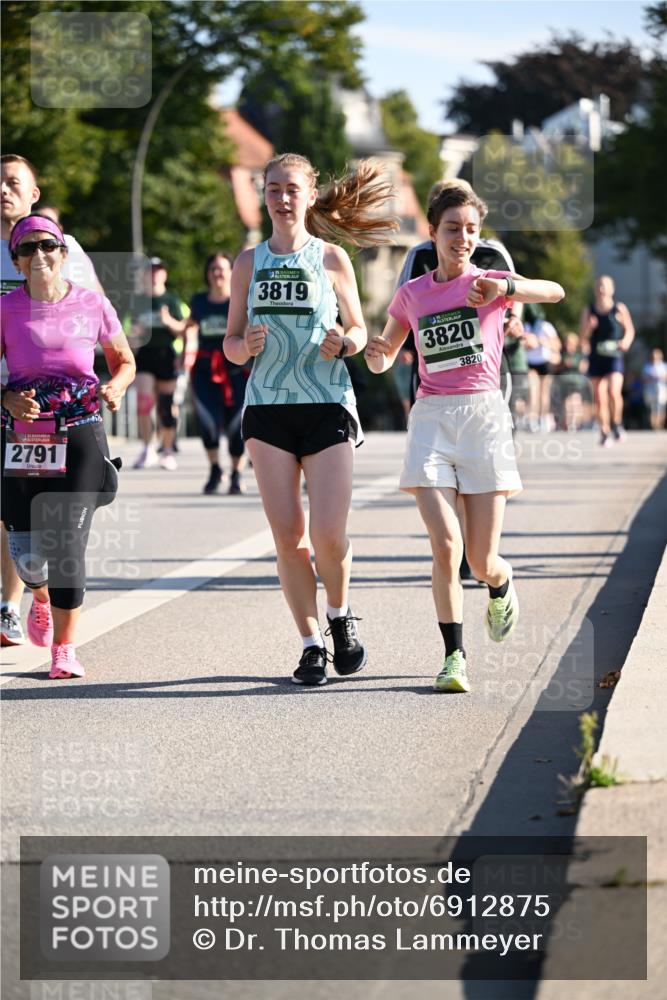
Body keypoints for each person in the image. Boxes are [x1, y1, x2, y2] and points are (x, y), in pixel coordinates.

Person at [365, 183, 564, 693]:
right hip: (432, 416)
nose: (463, 238)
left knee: (480, 560)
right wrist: (371, 353)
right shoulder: (414, 293)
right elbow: (387, 349)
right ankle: (454, 657)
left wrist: (507, 290)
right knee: (445, 545)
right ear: (432, 233)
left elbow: (555, 292)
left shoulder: (491, 282)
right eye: (452, 228)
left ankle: (500, 582)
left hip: (484, 419)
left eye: (471, 229)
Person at [224, 152, 397, 686]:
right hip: (269, 409)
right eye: (273, 189)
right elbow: (229, 342)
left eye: (291, 189)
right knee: (289, 539)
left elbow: (362, 330)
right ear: (264, 195)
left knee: (328, 534)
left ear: (310, 194)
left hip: (326, 402)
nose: (282, 198)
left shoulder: (331, 259)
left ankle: (340, 615)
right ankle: (309, 643)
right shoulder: (248, 263)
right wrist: (242, 345)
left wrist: (346, 342)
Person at [0, 213, 135, 678]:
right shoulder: (5, 309)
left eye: (47, 246)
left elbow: (124, 360)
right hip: (23, 435)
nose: (39, 255)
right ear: (16, 261)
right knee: (29, 557)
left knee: (67, 545)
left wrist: (116, 385)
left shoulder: (91, 303)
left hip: (79, 428)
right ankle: (38, 596)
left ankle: (64, 650)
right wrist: (6, 397)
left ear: (62, 254)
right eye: (28, 249)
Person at [0, 154, 101, 647]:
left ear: (33, 193)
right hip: (5, 401)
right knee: (10, 514)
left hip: (52, 412)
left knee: (49, 520)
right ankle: (25, 596)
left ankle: (16, 607)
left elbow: (93, 316)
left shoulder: (69, 251)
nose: (3, 190)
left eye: (13, 182)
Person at [185, 252, 249, 495]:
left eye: (222, 268)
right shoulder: (199, 301)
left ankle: (236, 473)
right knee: (208, 424)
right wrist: (186, 356)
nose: (218, 273)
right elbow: (190, 329)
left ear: (232, 272)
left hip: (237, 370)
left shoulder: (241, 300)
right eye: (213, 269)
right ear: (208, 274)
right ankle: (214, 469)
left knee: (237, 426)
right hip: (205, 370)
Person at [130, 257, 187, 470]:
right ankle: (147, 448)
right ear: (144, 276)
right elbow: (129, 333)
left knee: (166, 406)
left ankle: (168, 450)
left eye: (158, 271)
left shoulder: (172, 299)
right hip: (145, 354)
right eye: (150, 271)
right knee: (143, 403)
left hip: (167, 354)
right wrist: (134, 334)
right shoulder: (137, 300)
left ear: (164, 274)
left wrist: (168, 321)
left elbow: (183, 329)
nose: (154, 275)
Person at [579, 275, 635, 446]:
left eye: (604, 286)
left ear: (612, 289)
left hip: (614, 356)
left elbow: (630, 330)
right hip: (596, 357)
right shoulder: (589, 310)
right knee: (599, 397)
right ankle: (604, 431)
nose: (601, 290)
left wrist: (625, 342)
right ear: (595, 290)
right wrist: (589, 328)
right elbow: (582, 337)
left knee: (613, 391)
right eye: (599, 286)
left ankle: (616, 423)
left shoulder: (619, 309)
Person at [524, 304, 561, 432]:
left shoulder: (545, 326)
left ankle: (543, 417)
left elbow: (557, 345)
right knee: (533, 390)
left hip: (544, 361)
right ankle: (532, 418)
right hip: (530, 362)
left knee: (544, 392)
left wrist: (541, 341)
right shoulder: (525, 326)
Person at [553, 332, 591, 431]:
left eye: (571, 343)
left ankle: (575, 422)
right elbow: (555, 367)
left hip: (576, 381)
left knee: (575, 400)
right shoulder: (562, 354)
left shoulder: (579, 354)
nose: (568, 345)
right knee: (567, 402)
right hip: (564, 381)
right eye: (567, 342)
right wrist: (563, 364)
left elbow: (584, 368)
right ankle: (568, 422)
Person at [642, 347, 667, 431]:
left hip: (661, 388)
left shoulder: (664, 366)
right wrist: (651, 378)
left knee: (661, 407)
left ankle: (660, 424)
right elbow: (644, 379)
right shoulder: (647, 366)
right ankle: (654, 425)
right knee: (652, 407)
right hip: (650, 389)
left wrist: (660, 377)